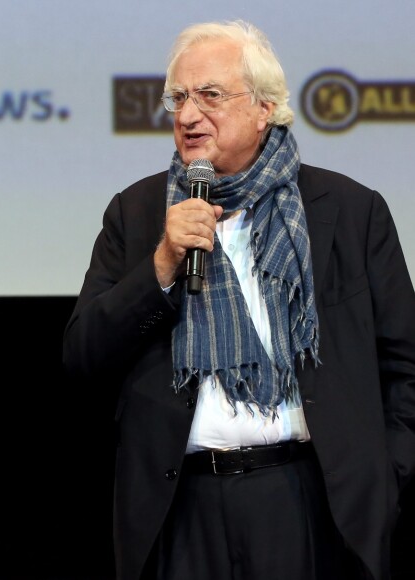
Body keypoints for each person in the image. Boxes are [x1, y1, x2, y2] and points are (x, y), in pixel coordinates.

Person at [62, 19, 415, 580]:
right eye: (177, 98)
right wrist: (160, 266)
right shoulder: (136, 214)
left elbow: (404, 364)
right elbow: (82, 356)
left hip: (311, 498)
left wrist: (385, 477)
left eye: (210, 95)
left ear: (264, 108)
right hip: (181, 506)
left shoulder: (348, 210)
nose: (187, 115)